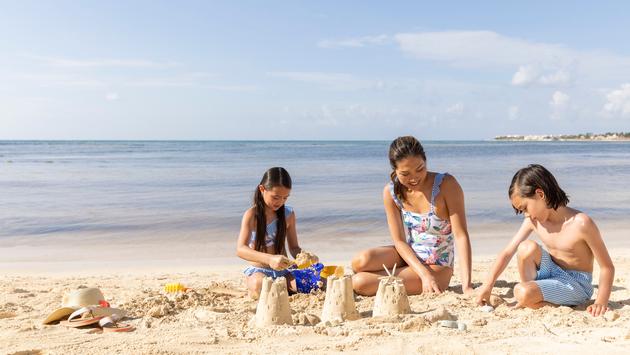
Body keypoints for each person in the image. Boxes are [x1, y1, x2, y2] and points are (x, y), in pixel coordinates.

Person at [475, 164, 615, 316]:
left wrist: (601, 301)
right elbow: (508, 252)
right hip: (551, 272)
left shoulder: (581, 223)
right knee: (525, 247)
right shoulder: (533, 221)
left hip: (576, 284)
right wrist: (487, 286)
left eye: (525, 208)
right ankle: (531, 294)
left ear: (540, 194)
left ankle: (531, 298)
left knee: (521, 291)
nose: (526, 215)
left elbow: (607, 267)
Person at [351, 136, 473, 296]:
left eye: (420, 169)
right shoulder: (390, 192)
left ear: (425, 161)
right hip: (409, 255)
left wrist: (467, 286)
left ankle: (390, 277)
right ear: (395, 170)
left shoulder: (447, 185)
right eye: (405, 173)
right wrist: (423, 274)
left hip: (438, 265)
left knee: (360, 283)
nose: (414, 177)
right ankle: (406, 273)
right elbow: (399, 241)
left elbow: (461, 236)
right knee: (360, 261)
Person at [236, 167, 313, 299]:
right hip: (260, 271)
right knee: (260, 285)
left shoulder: (288, 214)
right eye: (276, 197)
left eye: (285, 198)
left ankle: (285, 289)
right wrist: (270, 259)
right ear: (262, 189)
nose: (280, 202)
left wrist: (305, 257)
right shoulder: (252, 215)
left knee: (310, 284)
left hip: (284, 271)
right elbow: (241, 249)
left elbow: (294, 248)